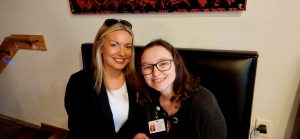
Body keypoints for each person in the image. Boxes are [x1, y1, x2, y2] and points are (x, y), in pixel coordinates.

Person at [133, 39, 227, 139]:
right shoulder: (147, 100)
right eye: (147, 66)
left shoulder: (202, 102)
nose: (155, 73)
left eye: (163, 63)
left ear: (177, 65)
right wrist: (138, 135)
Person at [64, 19, 140, 139]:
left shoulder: (135, 80)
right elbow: (77, 128)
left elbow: (136, 120)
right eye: (114, 45)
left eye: (127, 46)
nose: (122, 53)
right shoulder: (79, 82)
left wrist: (137, 133)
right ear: (100, 46)